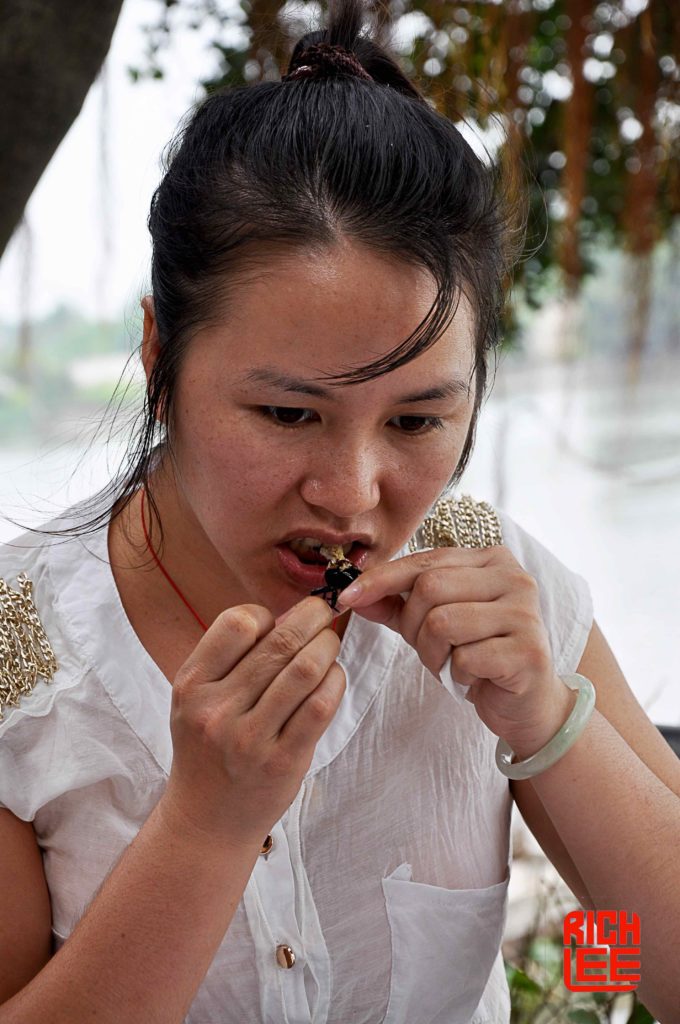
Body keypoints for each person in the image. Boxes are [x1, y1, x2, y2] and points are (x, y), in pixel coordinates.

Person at [1, 1, 679, 1021]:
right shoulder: (20, 649)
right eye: (287, 411)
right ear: (158, 354)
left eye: (415, 422)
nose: (354, 493)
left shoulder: (502, 588)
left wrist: (546, 727)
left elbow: (643, 964)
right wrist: (204, 826)